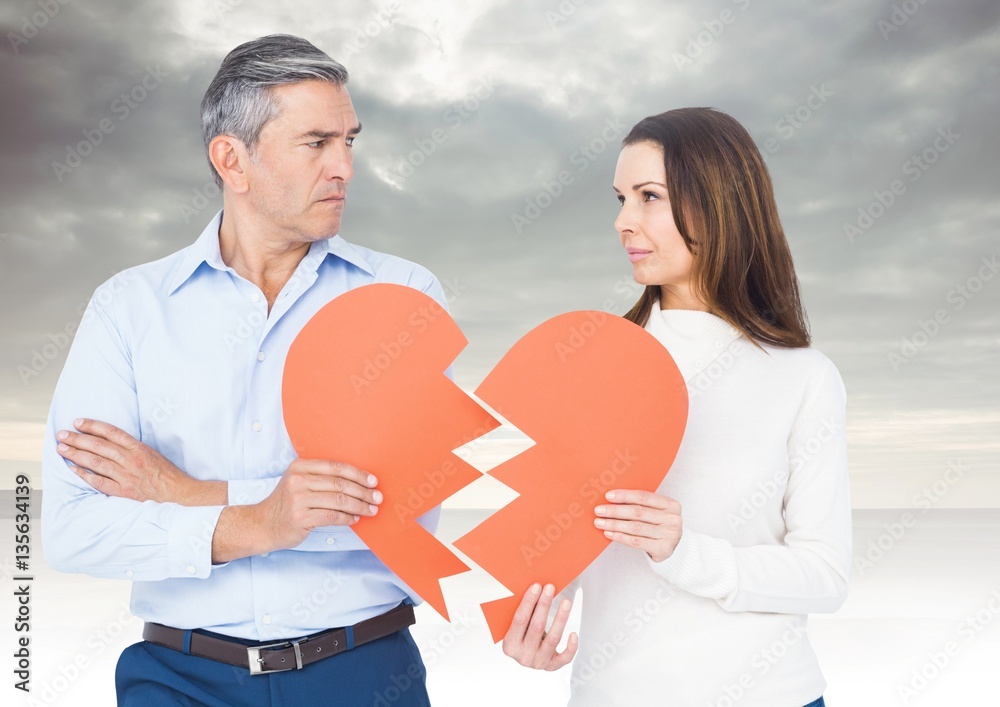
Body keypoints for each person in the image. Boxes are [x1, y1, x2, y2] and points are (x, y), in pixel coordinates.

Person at [42, 34, 440, 706]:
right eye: (317, 143)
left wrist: (178, 489)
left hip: (364, 673)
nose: (344, 166)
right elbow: (75, 532)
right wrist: (261, 519)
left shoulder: (403, 296)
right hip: (176, 679)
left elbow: (404, 517)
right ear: (232, 159)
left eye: (350, 140)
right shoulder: (128, 308)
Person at [501, 107, 851, 707]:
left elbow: (825, 577)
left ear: (720, 203)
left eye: (649, 197)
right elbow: (565, 538)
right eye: (619, 198)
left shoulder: (804, 378)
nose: (622, 221)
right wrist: (535, 615)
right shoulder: (590, 365)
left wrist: (684, 552)